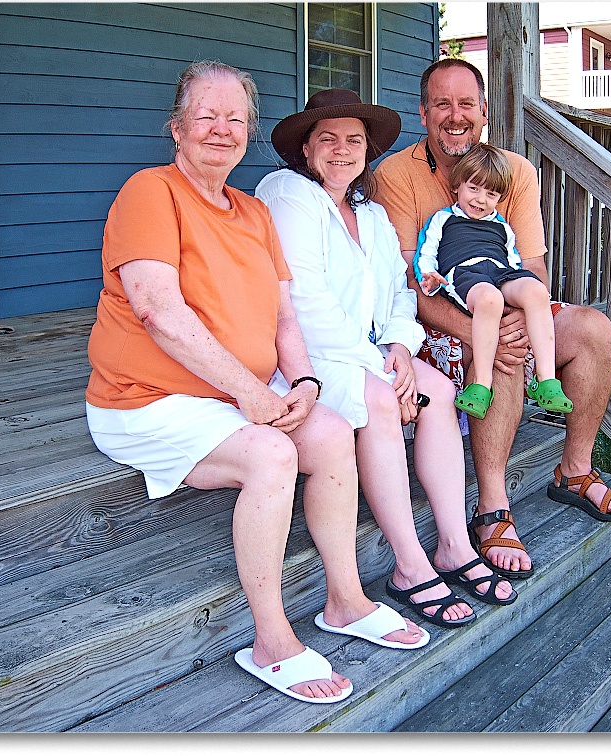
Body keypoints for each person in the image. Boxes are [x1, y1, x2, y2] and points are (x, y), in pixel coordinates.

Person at [84, 62, 426, 706]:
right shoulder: (150, 192)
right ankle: (272, 640)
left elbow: (285, 317)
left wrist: (303, 380)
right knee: (272, 454)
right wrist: (251, 391)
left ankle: (346, 601)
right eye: (206, 116)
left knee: (330, 432)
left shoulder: (252, 211)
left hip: (229, 397)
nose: (222, 129)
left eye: (236, 118)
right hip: (148, 402)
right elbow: (158, 310)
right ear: (176, 128)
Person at [255, 88, 519, 628]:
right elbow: (305, 301)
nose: (342, 150)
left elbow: (401, 291)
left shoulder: (371, 214)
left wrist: (399, 348)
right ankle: (409, 563)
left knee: (438, 388)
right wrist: (383, 369)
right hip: (304, 357)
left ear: (366, 150)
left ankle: (453, 544)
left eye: (354, 140)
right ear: (305, 149)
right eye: (328, 139)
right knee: (380, 397)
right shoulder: (287, 194)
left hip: (369, 352)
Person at [374, 58, 611, 579]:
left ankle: (574, 469)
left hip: (504, 299)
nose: (455, 116)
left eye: (466, 104)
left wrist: (512, 319)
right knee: (501, 355)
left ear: (484, 111)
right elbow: (406, 284)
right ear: (423, 113)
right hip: (435, 320)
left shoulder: (514, 171)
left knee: (593, 329)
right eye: (442, 105)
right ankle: (492, 505)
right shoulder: (395, 175)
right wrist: (482, 331)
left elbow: (532, 264)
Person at [415, 142, 573, 420]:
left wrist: (521, 298)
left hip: (500, 272)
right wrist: (428, 276)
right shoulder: (442, 219)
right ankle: (481, 385)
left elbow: (513, 263)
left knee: (536, 291)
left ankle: (547, 380)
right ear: (457, 185)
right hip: (464, 274)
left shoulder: (502, 226)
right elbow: (425, 254)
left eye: (491, 194)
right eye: (474, 188)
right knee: (490, 299)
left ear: (500, 197)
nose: (480, 200)